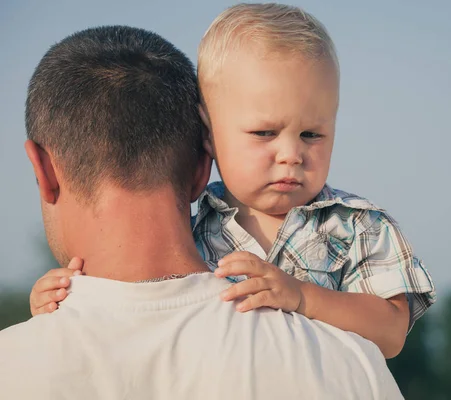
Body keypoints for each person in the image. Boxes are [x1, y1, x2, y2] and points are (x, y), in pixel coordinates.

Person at [0, 25, 402, 399]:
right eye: (264, 133)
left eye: (311, 134)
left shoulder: (12, 368)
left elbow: (392, 324)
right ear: (202, 165)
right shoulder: (350, 366)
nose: (290, 155)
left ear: (44, 171)